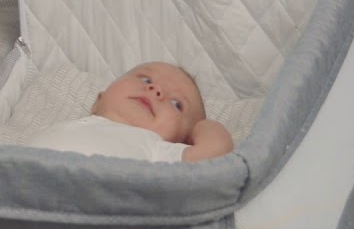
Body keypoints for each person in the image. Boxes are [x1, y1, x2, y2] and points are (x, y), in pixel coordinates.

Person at [26, 61, 234, 162]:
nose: (156, 90)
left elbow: (217, 150)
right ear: (99, 100)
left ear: (181, 140)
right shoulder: (71, 127)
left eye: (176, 103)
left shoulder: (156, 148)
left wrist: (202, 127)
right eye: (145, 79)